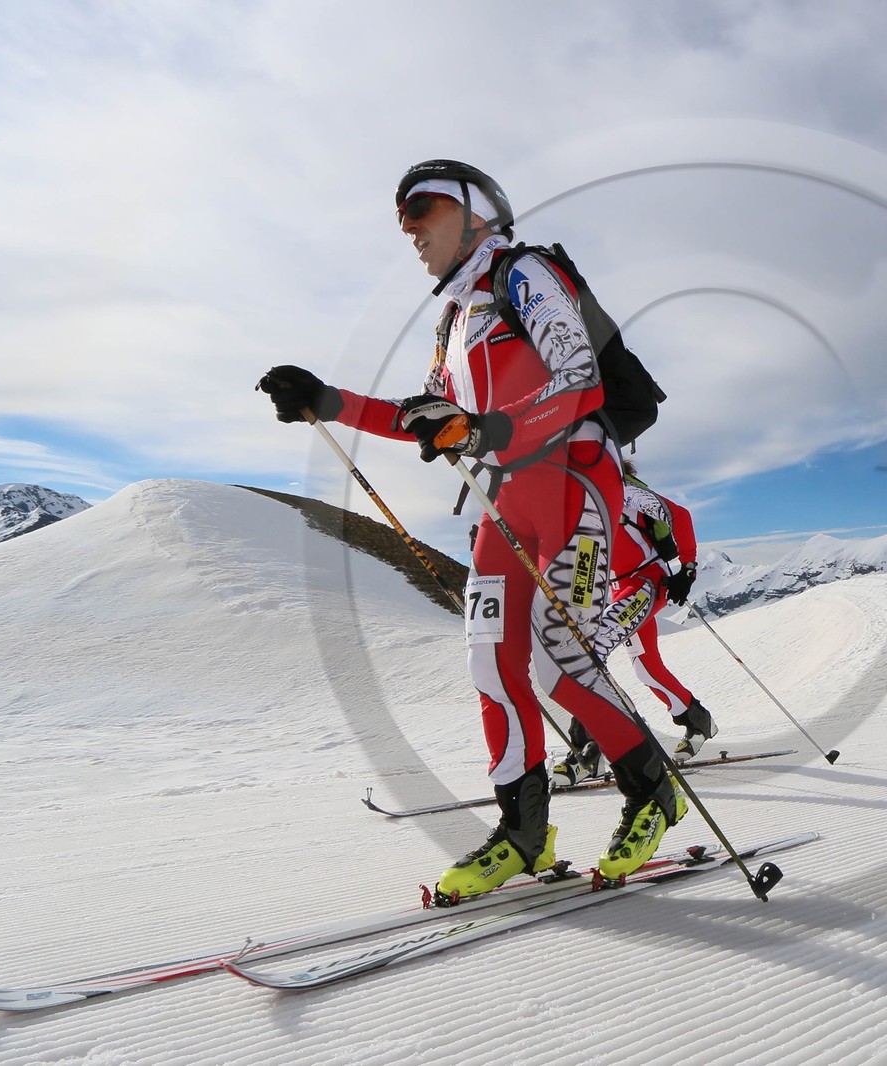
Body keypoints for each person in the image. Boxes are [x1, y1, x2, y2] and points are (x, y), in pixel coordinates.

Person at [257, 159, 684, 896]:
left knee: (561, 662)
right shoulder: (452, 318)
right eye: (400, 217)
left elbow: (577, 377)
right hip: (504, 500)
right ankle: (521, 834)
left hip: (573, 483)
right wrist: (325, 400)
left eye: (421, 207)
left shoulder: (524, 273)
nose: (408, 227)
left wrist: (485, 428)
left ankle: (653, 795)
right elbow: (425, 415)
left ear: (475, 211)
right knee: (492, 664)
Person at [553, 460, 718, 785]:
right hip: (615, 589)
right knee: (646, 667)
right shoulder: (573, 503)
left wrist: (687, 569)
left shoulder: (625, 492)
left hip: (645, 581)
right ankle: (698, 721)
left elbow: (679, 515)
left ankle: (589, 748)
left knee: (588, 656)